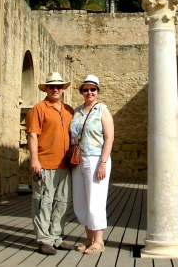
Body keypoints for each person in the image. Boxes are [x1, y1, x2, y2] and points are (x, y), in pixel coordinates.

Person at [25, 72, 75, 255]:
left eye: (59, 86)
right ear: (46, 88)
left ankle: (56, 237)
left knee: (61, 202)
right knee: (43, 202)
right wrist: (34, 160)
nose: (56, 89)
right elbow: (32, 135)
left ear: (63, 89)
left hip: (65, 164)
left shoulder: (68, 110)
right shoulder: (38, 109)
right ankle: (44, 239)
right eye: (52, 86)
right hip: (45, 162)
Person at [70, 74, 114, 255]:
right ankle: (88, 237)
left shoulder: (103, 110)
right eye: (86, 89)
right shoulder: (77, 111)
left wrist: (103, 163)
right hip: (78, 160)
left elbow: (109, 138)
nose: (89, 92)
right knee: (81, 200)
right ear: (81, 91)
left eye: (93, 89)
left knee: (95, 199)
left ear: (97, 91)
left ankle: (98, 240)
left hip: (96, 158)